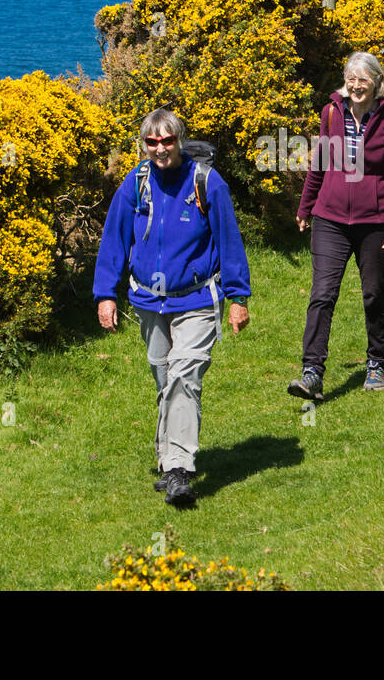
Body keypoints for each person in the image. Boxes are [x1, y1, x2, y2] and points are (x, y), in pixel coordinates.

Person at [93, 109, 251, 506]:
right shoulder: (135, 184)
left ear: (180, 140)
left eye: (167, 140)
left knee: (184, 375)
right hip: (148, 301)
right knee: (164, 379)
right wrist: (106, 295)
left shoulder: (206, 183)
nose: (160, 148)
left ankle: (180, 469)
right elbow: (114, 240)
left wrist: (238, 297)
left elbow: (230, 240)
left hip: (197, 299)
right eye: (152, 142)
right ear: (143, 145)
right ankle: (168, 461)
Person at [288, 51, 384, 400]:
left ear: (377, 83)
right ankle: (312, 373)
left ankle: (376, 362)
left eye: (363, 79)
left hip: (376, 223)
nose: (356, 86)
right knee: (322, 294)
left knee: (374, 294)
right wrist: (305, 206)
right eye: (351, 79)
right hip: (329, 219)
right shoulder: (331, 112)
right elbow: (320, 163)